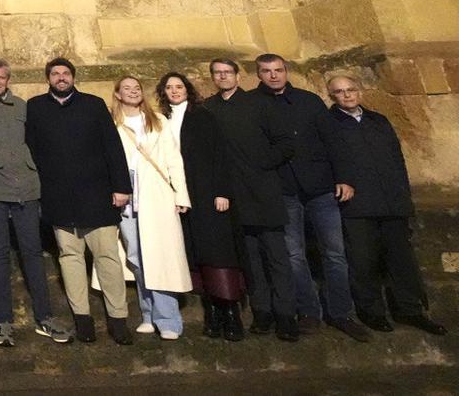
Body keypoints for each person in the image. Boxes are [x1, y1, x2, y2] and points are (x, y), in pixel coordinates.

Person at [251, 54, 370, 343]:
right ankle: (309, 312)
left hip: (320, 187)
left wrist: (345, 177)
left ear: (286, 71)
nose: (273, 76)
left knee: (335, 253)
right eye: (267, 71)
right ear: (259, 74)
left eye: (278, 70)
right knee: (293, 256)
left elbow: (333, 140)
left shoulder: (308, 100)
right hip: (284, 189)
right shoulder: (253, 104)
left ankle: (341, 312)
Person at [323, 75, 446, 336]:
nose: (346, 95)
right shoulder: (327, 124)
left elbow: (396, 160)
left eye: (351, 90)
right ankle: (371, 311)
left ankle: (410, 309)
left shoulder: (378, 121)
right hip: (357, 205)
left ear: (360, 91)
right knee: (363, 260)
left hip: (392, 202)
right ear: (331, 95)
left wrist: (404, 197)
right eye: (339, 92)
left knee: (402, 260)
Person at [25, 57, 133, 345]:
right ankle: (83, 320)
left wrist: (121, 186)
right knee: (70, 260)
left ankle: (118, 319)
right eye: (56, 74)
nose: (61, 78)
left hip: (97, 196)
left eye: (66, 73)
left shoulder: (93, 104)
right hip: (59, 199)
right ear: (49, 79)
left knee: (108, 259)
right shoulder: (35, 108)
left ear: (73, 77)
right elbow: (31, 151)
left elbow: (113, 146)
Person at [0, 58, 70, 347]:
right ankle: (3, 322)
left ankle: (44, 317)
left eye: (2, 77)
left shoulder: (24, 106)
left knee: (32, 253)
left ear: (8, 79)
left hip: (26, 187)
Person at [202, 58, 299, 342]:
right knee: (251, 260)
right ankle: (262, 311)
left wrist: (260, 163)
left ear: (237, 75)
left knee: (277, 258)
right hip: (234, 196)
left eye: (227, 72)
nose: (222, 77)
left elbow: (285, 143)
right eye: (217, 73)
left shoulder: (260, 104)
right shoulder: (209, 108)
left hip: (264, 192)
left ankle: (286, 315)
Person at [156, 72, 247, 341]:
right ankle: (212, 312)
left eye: (179, 86)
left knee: (218, 251)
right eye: (169, 87)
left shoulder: (203, 116)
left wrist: (222, 190)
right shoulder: (162, 121)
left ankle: (231, 313)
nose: (174, 91)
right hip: (180, 197)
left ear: (188, 89)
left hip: (208, 194)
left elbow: (220, 154)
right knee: (195, 253)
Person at [111, 76, 192, 340]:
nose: (133, 92)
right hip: (127, 195)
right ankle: (148, 313)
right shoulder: (113, 123)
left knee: (160, 256)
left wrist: (181, 194)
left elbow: (173, 158)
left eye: (137, 88)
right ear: (118, 94)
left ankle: (168, 318)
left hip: (156, 194)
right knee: (136, 257)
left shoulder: (158, 120)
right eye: (127, 89)